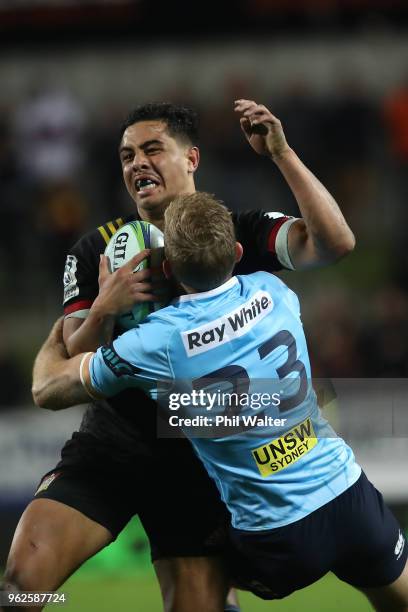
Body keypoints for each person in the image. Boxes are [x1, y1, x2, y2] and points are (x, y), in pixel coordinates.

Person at [2, 99, 355, 612]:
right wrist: (105, 308)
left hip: (200, 456)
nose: (136, 163)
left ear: (191, 159)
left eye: (151, 149)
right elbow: (68, 360)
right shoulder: (96, 249)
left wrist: (281, 153)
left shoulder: (236, 234)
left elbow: (334, 243)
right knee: (21, 587)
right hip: (114, 443)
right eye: (126, 156)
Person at [31, 192, 408, 612]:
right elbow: (330, 243)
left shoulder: (157, 342)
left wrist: (97, 310)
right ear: (237, 253)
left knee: (197, 578)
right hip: (348, 495)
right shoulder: (275, 291)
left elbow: (47, 389)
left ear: (168, 269)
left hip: (277, 535)